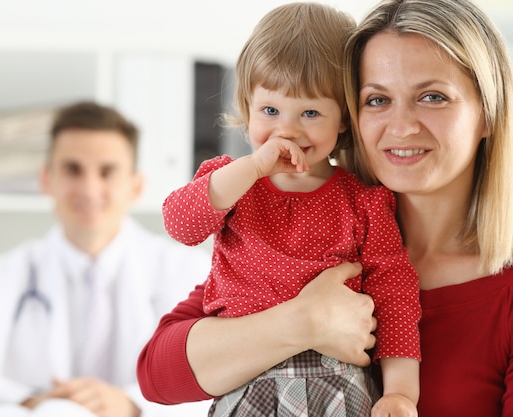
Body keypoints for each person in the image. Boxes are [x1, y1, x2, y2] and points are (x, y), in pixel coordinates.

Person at [137, 0, 513, 416]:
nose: (402, 125)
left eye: (433, 96)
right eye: (376, 100)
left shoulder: (498, 293)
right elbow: (157, 373)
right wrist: (304, 323)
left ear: (489, 113)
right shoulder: (284, 233)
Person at [160, 3, 420, 416]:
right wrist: (254, 167)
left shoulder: (365, 202)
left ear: (344, 119)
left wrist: (401, 392)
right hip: (246, 374)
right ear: (247, 108)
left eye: (311, 112)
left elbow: (395, 297)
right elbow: (179, 224)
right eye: (270, 111)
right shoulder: (231, 183)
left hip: (338, 380)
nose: (288, 130)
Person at [0, 101, 213, 417]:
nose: (89, 189)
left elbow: (225, 382)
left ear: (136, 186)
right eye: (73, 169)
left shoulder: (186, 271)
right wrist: (35, 402)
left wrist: (132, 404)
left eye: (107, 171)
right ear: (46, 179)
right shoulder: (0, 276)